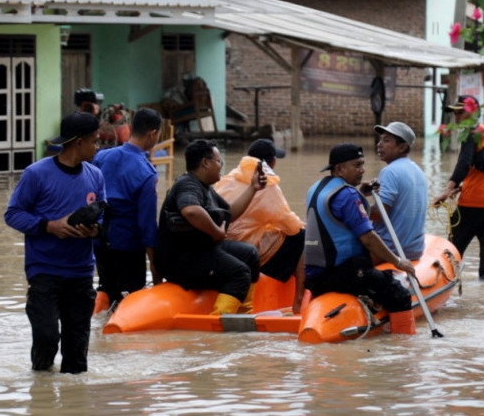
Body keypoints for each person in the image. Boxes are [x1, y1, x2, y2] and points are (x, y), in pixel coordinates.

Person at [5, 111, 105, 374]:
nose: (98, 147)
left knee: (76, 355)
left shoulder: (96, 175)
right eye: (94, 141)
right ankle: (40, 390)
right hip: (44, 271)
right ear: (78, 142)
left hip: (81, 273)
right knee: (47, 337)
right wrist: (49, 226)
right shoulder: (36, 174)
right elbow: (13, 214)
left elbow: (104, 217)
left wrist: (94, 231)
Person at [303, 143, 418, 334]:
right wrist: (398, 261)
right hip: (346, 274)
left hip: (317, 276)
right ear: (339, 169)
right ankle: (404, 348)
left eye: (362, 165)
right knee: (399, 294)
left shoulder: (315, 189)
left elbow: (336, 211)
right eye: (357, 165)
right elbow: (368, 238)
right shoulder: (347, 195)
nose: (362, 170)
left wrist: (360, 193)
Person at [154, 139, 267, 315]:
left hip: (200, 250)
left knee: (250, 254)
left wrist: (253, 188)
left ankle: (244, 311)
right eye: (218, 161)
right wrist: (217, 233)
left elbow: (229, 212)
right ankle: (218, 323)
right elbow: (191, 210)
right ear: (205, 163)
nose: (221, 165)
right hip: (181, 259)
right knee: (239, 272)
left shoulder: (205, 187)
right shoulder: (187, 184)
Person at [214, 139, 306, 313]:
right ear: (272, 162)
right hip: (248, 248)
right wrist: (301, 224)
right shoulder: (267, 183)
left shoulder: (230, 176)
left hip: (223, 244)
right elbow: (289, 223)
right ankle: (299, 301)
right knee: (303, 236)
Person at [92, 108, 163, 309]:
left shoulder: (102, 157)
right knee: (129, 301)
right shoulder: (146, 172)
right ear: (152, 134)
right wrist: (154, 265)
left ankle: (98, 330)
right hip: (127, 246)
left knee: (106, 289)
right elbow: (147, 224)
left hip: (99, 241)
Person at [433, 95, 484, 280]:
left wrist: (446, 191)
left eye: (461, 113)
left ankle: (444, 297)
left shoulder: (471, 134)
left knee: (451, 256)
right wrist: (459, 187)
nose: (456, 118)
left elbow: (464, 164)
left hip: (470, 207)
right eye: (455, 114)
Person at [369, 122, 427, 261]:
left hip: (392, 249)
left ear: (402, 147)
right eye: (381, 139)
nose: (379, 144)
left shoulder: (390, 171)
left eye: (386, 140)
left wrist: (354, 210)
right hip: (414, 249)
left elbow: (378, 214)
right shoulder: (417, 170)